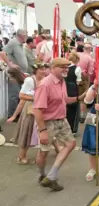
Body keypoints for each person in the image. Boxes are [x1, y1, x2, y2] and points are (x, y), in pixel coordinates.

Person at [33, 58, 82, 191]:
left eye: (67, 67)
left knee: (70, 144)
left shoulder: (62, 81)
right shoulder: (45, 85)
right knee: (44, 152)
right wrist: (42, 130)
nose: (66, 69)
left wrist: (79, 98)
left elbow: (64, 99)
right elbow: (37, 109)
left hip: (61, 119)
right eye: (62, 67)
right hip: (47, 122)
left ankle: (51, 175)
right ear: (53, 68)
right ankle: (42, 174)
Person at [8, 62, 48, 164]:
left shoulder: (45, 79)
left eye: (44, 69)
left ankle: (58, 150)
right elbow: (21, 96)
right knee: (27, 132)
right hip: (30, 109)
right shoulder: (30, 80)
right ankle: (21, 157)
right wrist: (14, 115)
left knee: (46, 129)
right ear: (35, 70)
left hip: (41, 108)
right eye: (41, 69)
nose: (44, 71)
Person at [3, 29, 28, 117]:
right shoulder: (13, 43)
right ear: (22, 35)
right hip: (14, 72)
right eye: (26, 35)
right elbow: (2, 53)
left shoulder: (20, 45)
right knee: (14, 94)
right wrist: (10, 64)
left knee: (19, 94)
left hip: (19, 72)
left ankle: (16, 114)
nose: (27, 37)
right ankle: (12, 115)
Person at [65, 53, 82, 135]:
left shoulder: (64, 67)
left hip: (63, 88)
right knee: (73, 111)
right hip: (72, 90)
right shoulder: (77, 69)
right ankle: (72, 129)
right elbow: (78, 82)